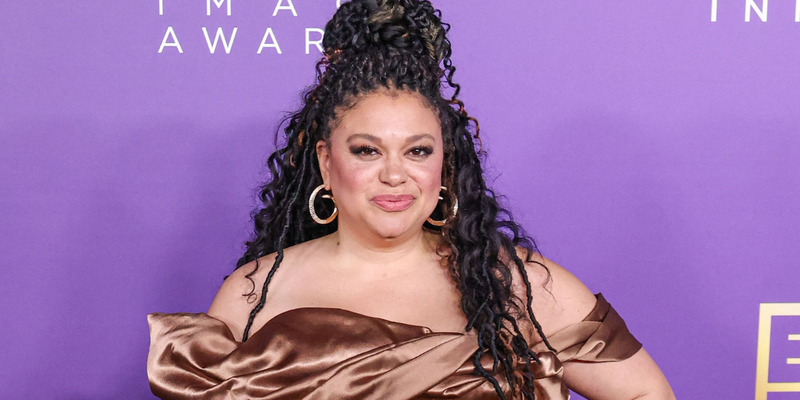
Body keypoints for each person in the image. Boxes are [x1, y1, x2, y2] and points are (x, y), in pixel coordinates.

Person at [147, 0, 676, 398]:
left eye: (418, 150)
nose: (395, 175)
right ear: (327, 163)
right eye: (367, 151)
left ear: (445, 162)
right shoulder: (253, 292)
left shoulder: (517, 285)